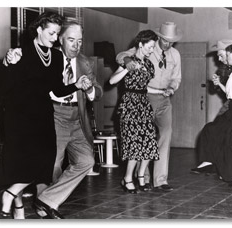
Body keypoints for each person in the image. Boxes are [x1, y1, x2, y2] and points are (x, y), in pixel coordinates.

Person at [0, 12, 90, 219]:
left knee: (44, 163)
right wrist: (7, 64)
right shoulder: (22, 53)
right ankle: (16, 206)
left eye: (57, 34)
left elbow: (56, 90)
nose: (55, 38)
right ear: (39, 30)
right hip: (19, 116)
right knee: (20, 164)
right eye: (51, 33)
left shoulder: (56, 56)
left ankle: (9, 195)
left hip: (43, 114)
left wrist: (75, 85)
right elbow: (2, 89)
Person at [34, 20, 103, 219]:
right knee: (52, 164)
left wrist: (89, 88)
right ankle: (44, 207)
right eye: (71, 40)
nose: (76, 45)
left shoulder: (85, 62)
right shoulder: (47, 57)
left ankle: (45, 200)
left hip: (77, 118)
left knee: (86, 161)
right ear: (60, 39)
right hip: (53, 114)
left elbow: (98, 92)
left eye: (80, 41)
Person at [116, 22, 182, 190]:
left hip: (165, 99)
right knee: (143, 137)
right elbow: (121, 55)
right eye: (165, 40)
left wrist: (172, 88)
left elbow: (177, 78)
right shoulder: (147, 48)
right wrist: (127, 62)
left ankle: (160, 180)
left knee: (166, 135)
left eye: (171, 41)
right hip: (146, 97)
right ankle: (141, 177)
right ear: (159, 37)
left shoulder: (175, 54)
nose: (168, 44)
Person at [191, 42, 232, 186]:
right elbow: (231, 94)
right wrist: (220, 85)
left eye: (228, 54)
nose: (226, 57)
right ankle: (213, 163)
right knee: (215, 131)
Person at [110, 30, 159, 193]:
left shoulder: (149, 65)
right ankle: (127, 178)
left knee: (150, 141)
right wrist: (128, 68)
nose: (152, 50)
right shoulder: (128, 61)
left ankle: (140, 177)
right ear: (140, 44)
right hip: (129, 105)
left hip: (143, 104)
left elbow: (145, 86)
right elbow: (111, 80)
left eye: (153, 47)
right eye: (150, 47)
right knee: (134, 144)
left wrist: (162, 91)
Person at [191, 39, 232, 174]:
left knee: (217, 131)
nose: (219, 59)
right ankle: (209, 161)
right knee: (210, 130)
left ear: (230, 53)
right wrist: (216, 84)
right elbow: (223, 92)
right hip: (229, 106)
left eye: (221, 56)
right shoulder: (223, 69)